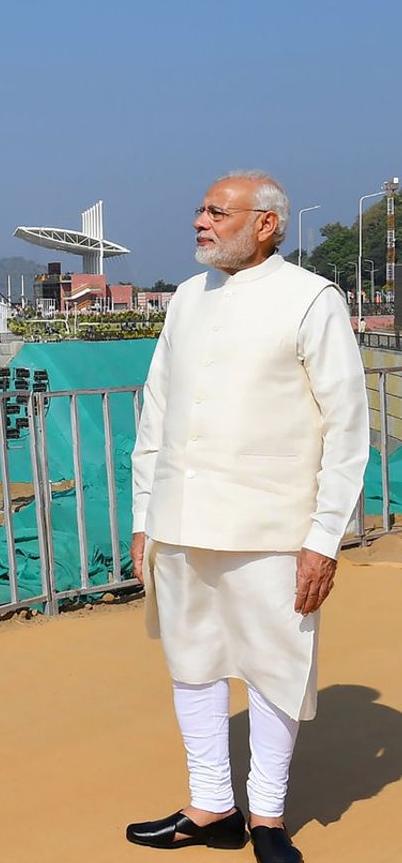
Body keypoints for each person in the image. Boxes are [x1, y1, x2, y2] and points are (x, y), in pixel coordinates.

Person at [125, 171, 369, 862]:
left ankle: (266, 816)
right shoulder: (185, 301)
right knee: (193, 664)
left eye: (217, 211)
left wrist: (324, 539)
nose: (200, 221)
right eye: (200, 209)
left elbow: (347, 429)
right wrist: (145, 515)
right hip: (181, 520)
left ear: (266, 223)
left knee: (273, 667)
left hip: (273, 528)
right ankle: (210, 808)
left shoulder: (310, 299)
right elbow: (157, 416)